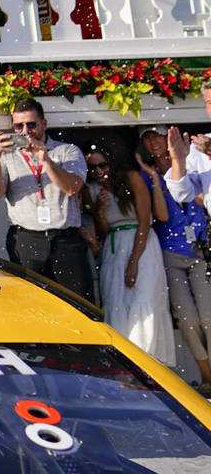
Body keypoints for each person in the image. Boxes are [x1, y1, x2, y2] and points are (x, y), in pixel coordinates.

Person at [0, 97, 94, 302]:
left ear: (44, 124)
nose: (25, 131)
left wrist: (45, 159)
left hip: (65, 238)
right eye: (19, 125)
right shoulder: (8, 155)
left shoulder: (66, 150)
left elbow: (72, 188)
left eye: (31, 124)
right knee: (33, 305)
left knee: (79, 304)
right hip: (26, 238)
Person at [85, 147, 175, 366]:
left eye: (103, 165)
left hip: (141, 244)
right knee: (116, 302)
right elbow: (104, 231)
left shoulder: (132, 178)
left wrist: (133, 262)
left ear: (112, 163)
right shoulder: (92, 189)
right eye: (92, 167)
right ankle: (126, 366)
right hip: (114, 247)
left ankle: (150, 364)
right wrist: (99, 212)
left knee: (144, 301)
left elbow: (145, 220)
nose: (98, 171)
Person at [140, 126, 211, 394]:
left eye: (157, 135)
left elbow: (202, 198)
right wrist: (156, 180)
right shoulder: (148, 176)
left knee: (208, 316)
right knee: (187, 318)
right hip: (170, 250)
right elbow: (163, 216)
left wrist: (180, 165)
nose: (153, 141)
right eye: (147, 138)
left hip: (201, 248)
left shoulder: (193, 161)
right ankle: (206, 376)